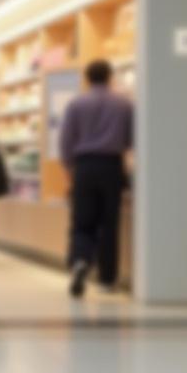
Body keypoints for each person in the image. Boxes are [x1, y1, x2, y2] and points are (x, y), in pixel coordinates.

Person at [60, 59, 134, 298]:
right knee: (109, 223)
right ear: (110, 76)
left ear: (87, 78)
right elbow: (132, 139)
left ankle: (80, 261)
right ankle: (107, 279)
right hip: (112, 166)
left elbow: (65, 141)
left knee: (82, 221)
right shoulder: (124, 104)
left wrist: (70, 169)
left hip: (84, 166)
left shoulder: (76, 103)